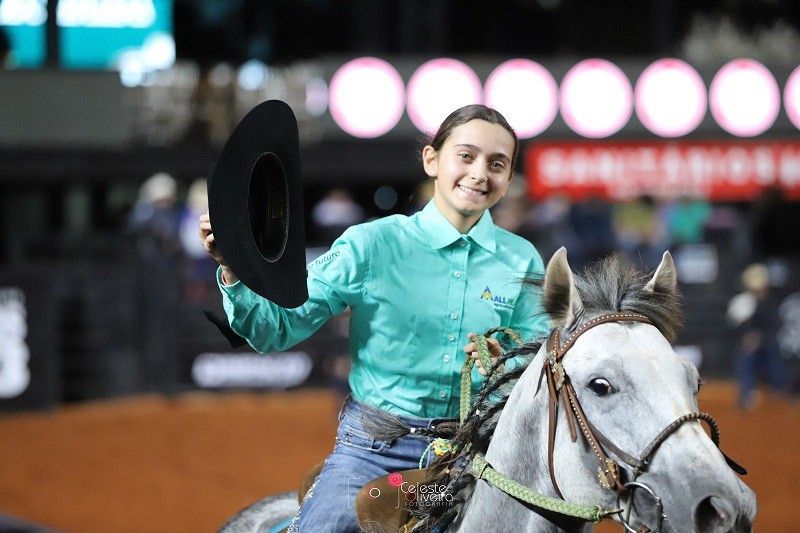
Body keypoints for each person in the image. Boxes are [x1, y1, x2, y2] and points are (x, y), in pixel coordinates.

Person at [199, 105, 549, 532]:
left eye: (498, 164)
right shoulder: (371, 245)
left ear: (508, 178)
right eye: (466, 156)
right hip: (375, 454)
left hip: (471, 464)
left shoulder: (522, 260)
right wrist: (234, 272)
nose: (480, 173)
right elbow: (276, 330)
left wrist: (507, 363)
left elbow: (540, 358)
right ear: (432, 160)